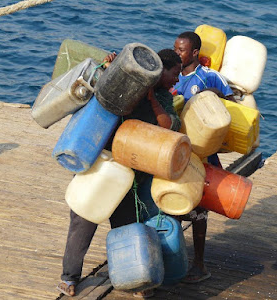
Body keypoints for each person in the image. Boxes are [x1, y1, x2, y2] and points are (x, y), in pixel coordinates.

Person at [56, 49, 182, 297]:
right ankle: (69, 277)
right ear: (161, 71)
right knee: (83, 222)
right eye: (174, 74)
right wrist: (110, 67)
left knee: (128, 226)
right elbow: (97, 92)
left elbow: (169, 125)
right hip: (100, 162)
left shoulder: (164, 98)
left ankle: (134, 279)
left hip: (130, 172)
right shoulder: (127, 80)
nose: (176, 80)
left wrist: (150, 98)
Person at [172, 31, 234, 283]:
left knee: (198, 213)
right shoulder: (170, 74)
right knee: (172, 207)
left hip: (202, 157)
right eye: (175, 48)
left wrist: (215, 95)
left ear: (195, 53)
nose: (177, 53)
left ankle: (199, 265)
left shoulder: (209, 77)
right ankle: (174, 260)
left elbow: (234, 105)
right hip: (176, 153)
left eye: (181, 50)